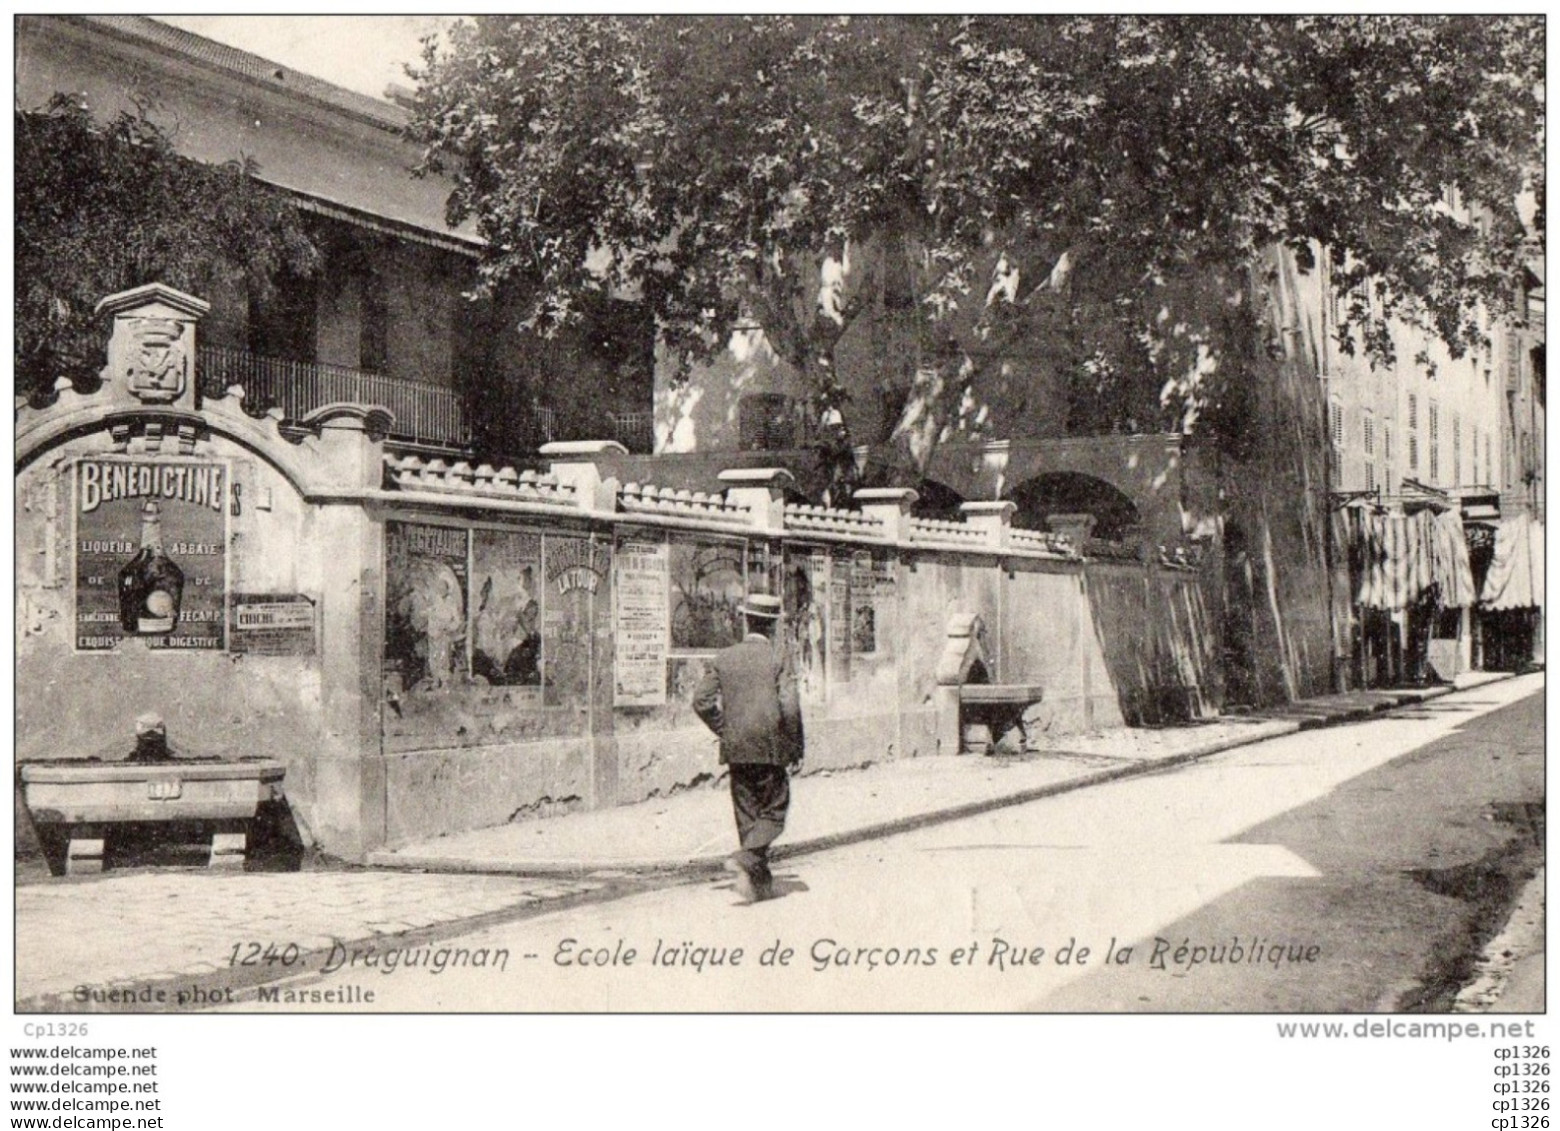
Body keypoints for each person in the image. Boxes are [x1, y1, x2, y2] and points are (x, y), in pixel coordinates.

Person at [692, 592, 804, 903]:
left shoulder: (724, 657)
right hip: (770, 747)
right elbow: (790, 706)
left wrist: (725, 729)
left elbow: (701, 702)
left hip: (737, 748)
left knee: (748, 814)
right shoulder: (778, 658)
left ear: (745, 620)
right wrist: (795, 748)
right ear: (772, 627)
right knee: (775, 810)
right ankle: (748, 855)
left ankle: (759, 885)